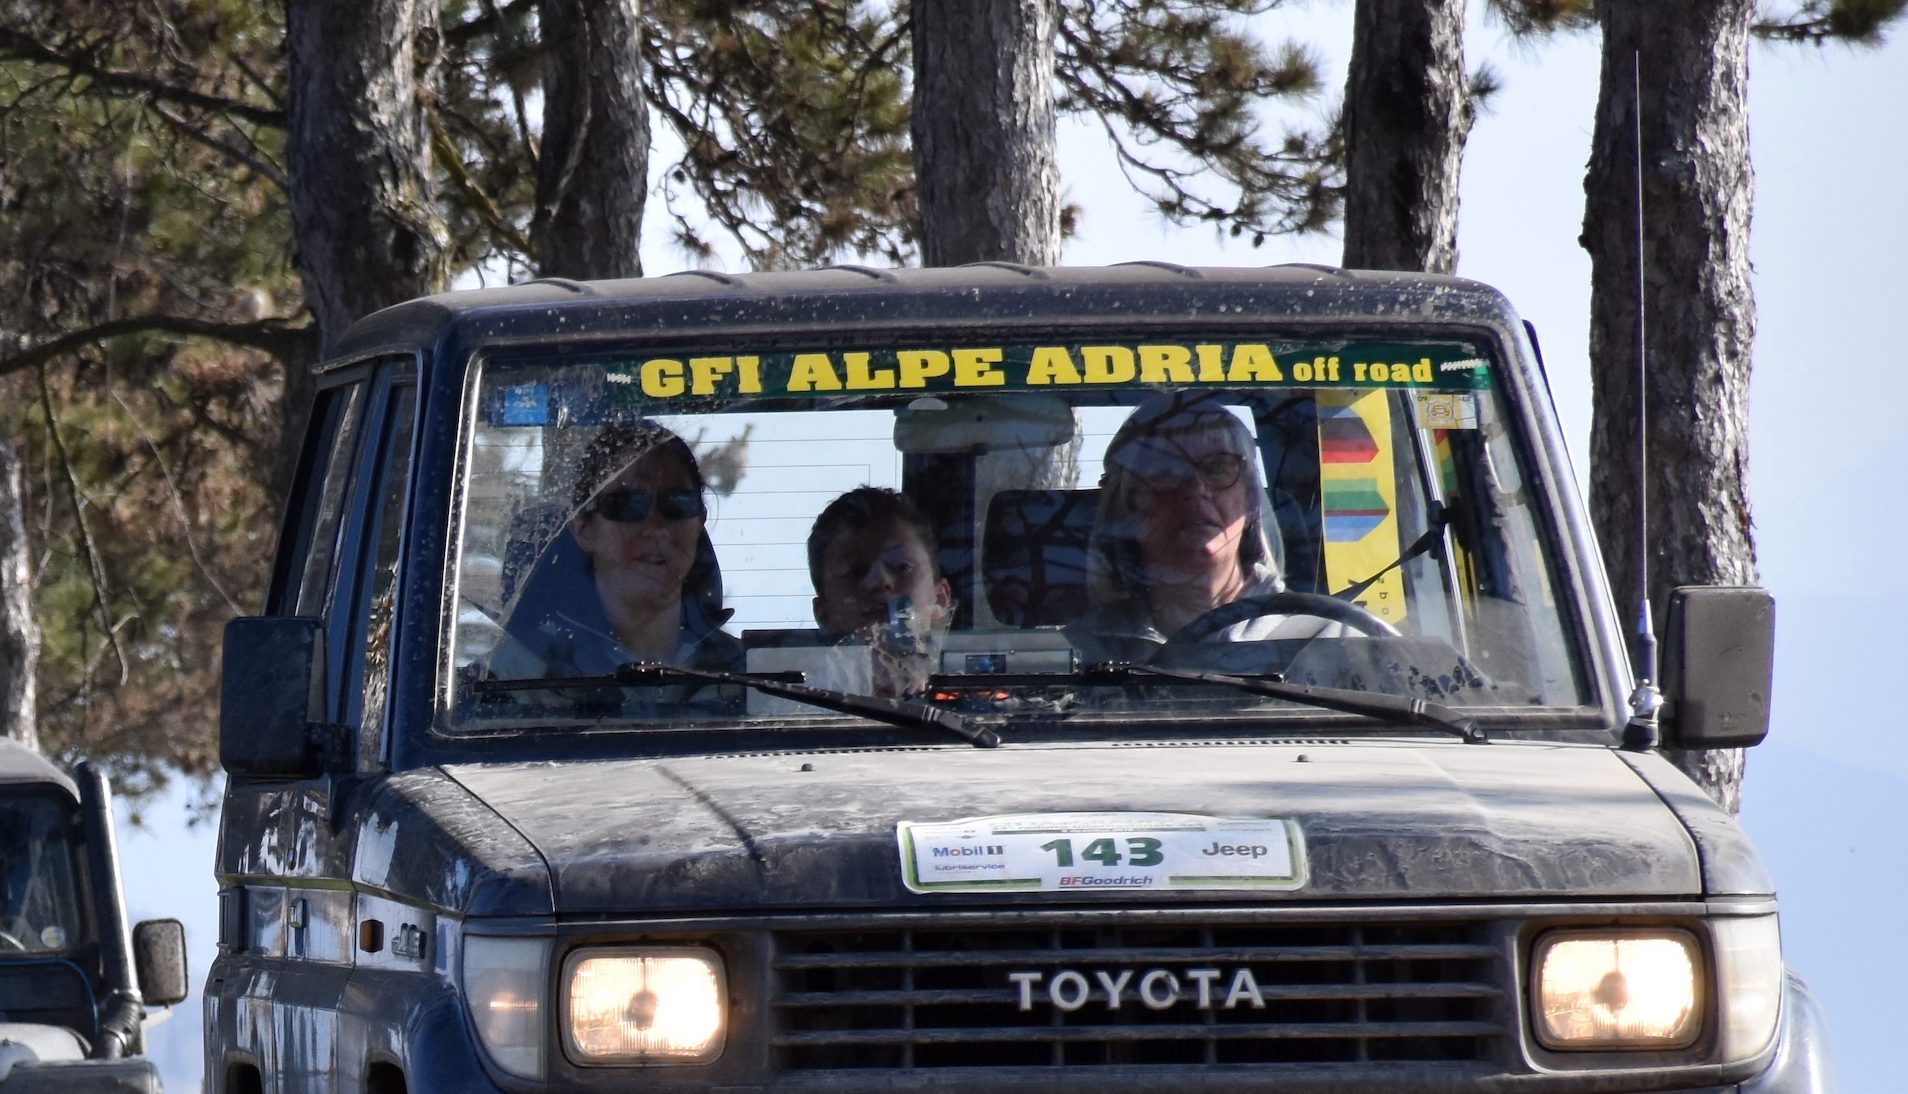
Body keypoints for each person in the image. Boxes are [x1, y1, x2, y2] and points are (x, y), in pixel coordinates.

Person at [1066, 393, 1340, 662]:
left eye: (1218, 468)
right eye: (1166, 470)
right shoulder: (1080, 654)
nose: (1196, 489)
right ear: (1129, 505)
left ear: (1249, 500)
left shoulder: (1330, 638)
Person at [491, 421, 743, 688]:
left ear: (699, 521)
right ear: (583, 529)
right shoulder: (511, 680)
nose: (656, 528)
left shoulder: (753, 679)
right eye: (626, 506)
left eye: (678, 503)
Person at [806, 487, 952, 698]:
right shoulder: (801, 708)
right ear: (823, 614)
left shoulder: (973, 695)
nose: (880, 581)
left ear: (940, 597)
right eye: (855, 571)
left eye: (902, 566)